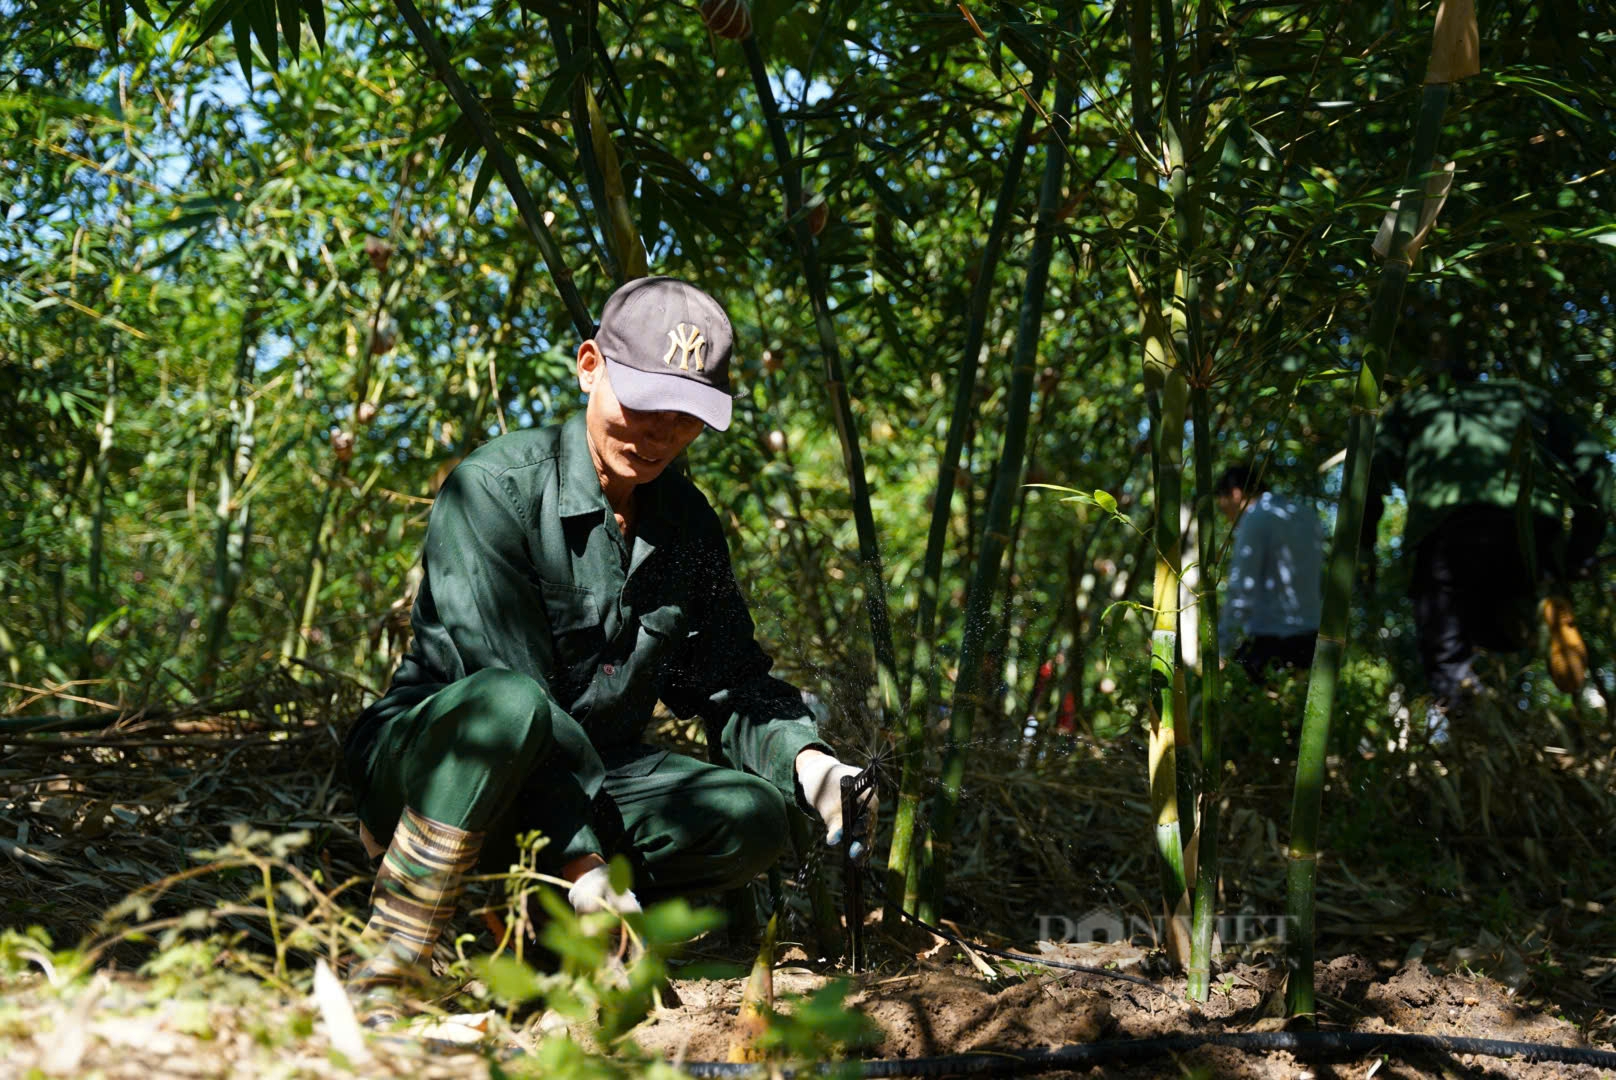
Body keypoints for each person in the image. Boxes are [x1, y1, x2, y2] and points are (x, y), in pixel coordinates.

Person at [341, 277, 875, 1013]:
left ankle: (540, 934)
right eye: (643, 401)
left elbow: (728, 680)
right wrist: (588, 866)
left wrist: (810, 764)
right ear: (590, 365)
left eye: (684, 415)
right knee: (508, 705)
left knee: (750, 817)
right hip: (446, 764)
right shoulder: (493, 490)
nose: (658, 432)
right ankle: (394, 961)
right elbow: (510, 701)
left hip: (591, 776)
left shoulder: (685, 525)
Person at [1364, 374, 1610, 723]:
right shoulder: (1529, 396)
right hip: (1531, 529)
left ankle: (1473, 726)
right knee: (1510, 606)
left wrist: (1362, 548)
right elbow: (1594, 466)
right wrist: (1580, 550)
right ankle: (1541, 609)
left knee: (1446, 652)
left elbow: (1369, 473)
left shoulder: (1413, 404)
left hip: (1447, 532)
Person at [1216, 464, 1325, 685]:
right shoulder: (1306, 515)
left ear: (1236, 493)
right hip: (1311, 637)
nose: (1228, 519)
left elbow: (1242, 589)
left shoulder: (1255, 518)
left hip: (1270, 642)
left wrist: (1222, 648)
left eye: (1224, 508)